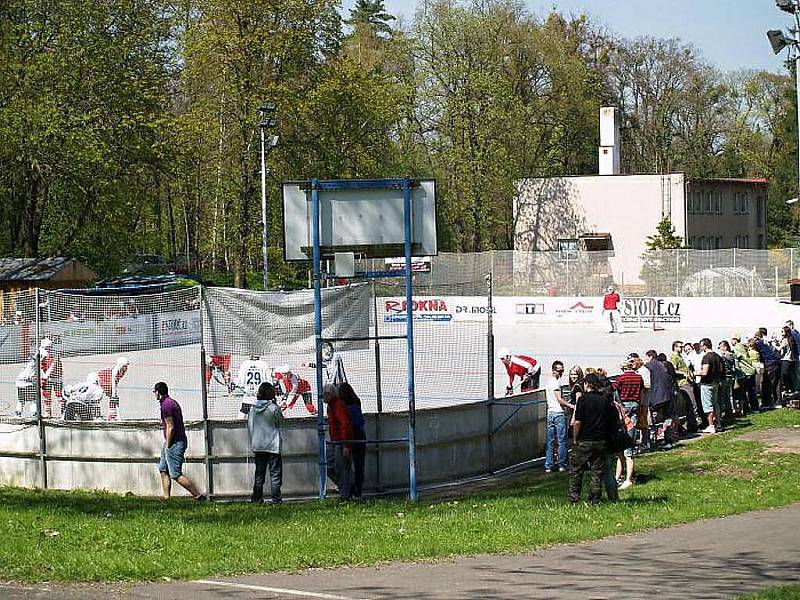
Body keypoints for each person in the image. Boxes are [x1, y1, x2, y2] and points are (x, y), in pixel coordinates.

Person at [154, 381, 205, 500]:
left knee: (175, 474)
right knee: (163, 469)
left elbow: (170, 427)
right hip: (170, 441)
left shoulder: (166, 405)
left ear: (158, 392)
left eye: (155, 392)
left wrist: (168, 445)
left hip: (174, 442)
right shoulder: (170, 402)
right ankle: (167, 498)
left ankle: (198, 495)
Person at [569, 373, 615, 504]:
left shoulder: (582, 400)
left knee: (576, 470)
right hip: (600, 440)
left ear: (587, 385)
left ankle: (574, 498)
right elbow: (610, 421)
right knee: (597, 471)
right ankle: (594, 499)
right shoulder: (604, 401)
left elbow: (577, 422)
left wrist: (575, 438)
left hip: (584, 440)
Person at [247, 382, 283, 505]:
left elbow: (250, 426)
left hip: (259, 445)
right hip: (273, 446)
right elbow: (280, 422)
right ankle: (276, 500)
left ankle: (256, 498)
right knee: (275, 475)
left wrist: (254, 441)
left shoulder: (252, 408)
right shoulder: (274, 408)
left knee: (259, 475)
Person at [612, 359, 643, 490]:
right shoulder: (638, 377)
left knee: (623, 435)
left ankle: (626, 477)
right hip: (635, 404)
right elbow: (642, 389)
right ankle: (624, 476)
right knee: (632, 430)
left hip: (624, 405)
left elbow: (614, 389)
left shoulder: (621, 378)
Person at [324, 384, 353, 501]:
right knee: (330, 467)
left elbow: (345, 425)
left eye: (325, 395)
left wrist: (346, 445)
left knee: (342, 469)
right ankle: (346, 488)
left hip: (340, 442)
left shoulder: (338, 406)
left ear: (330, 394)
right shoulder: (331, 406)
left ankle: (345, 494)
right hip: (335, 441)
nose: (323, 398)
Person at [339, 382, 366, 499]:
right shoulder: (356, 401)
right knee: (359, 464)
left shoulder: (342, 405)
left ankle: (348, 489)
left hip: (349, 435)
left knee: (346, 465)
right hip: (360, 434)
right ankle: (358, 490)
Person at [544, 360, 572, 473]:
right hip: (558, 413)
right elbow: (559, 399)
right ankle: (561, 464)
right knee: (561, 440)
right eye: (558, 370)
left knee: (550, 440)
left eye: (562, 371)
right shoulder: (555, 383)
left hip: (550, 412)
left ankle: (549, 465)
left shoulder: (548, 382)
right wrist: (571, 406)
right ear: (553, 370)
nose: (560, 373)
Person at [669, 341, 699, 432]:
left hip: (687, 382)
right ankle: (692, 425)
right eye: (680, 347)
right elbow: (673, 370)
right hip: (683, 383)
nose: (682, 349)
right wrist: (683, 373)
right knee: (692, 404)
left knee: (691, 404)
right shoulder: (674, 357)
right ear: (675, 347)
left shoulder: (680, 356)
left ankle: (692, 425)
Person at [699, 338, 723, 433]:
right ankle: (718, 424)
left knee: (708, 405)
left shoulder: (706, 357)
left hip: (707, 383)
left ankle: (711, 425)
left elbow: (705, 372)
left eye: (701, 345)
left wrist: (695, 373)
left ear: (705, 346)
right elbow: (721, 370)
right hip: (715, 382)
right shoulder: (717, 356)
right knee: (716, 404)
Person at [731, 334, 757, 415]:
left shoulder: (737, 347)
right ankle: (753, 407)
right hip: (750, 370)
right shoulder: (744, 346)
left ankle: (749, 408)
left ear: (735, 339)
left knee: (744, 391)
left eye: (732, 339)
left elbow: (737, 357)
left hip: (745, 371)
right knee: (751, 391)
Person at [717, 341, 736, 423]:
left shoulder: (726, 356)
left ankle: (726, 413)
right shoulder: (731, 355)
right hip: (730, 377)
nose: (720, 349)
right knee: (727, 396)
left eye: (720, 347)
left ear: (725, 347)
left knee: (723, 396)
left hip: (725, 377)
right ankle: (729, 413)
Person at [778, 326, 798, 399]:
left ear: (785, 332)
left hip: (786, 360)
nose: (781, 333)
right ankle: (792, 391)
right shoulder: (791, 339)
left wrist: (773, 345)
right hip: (791, 360)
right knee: (790, 377)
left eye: (782, 331)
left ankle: (785, 391)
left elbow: (779, 349)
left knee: (784, 377)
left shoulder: (785, 340)